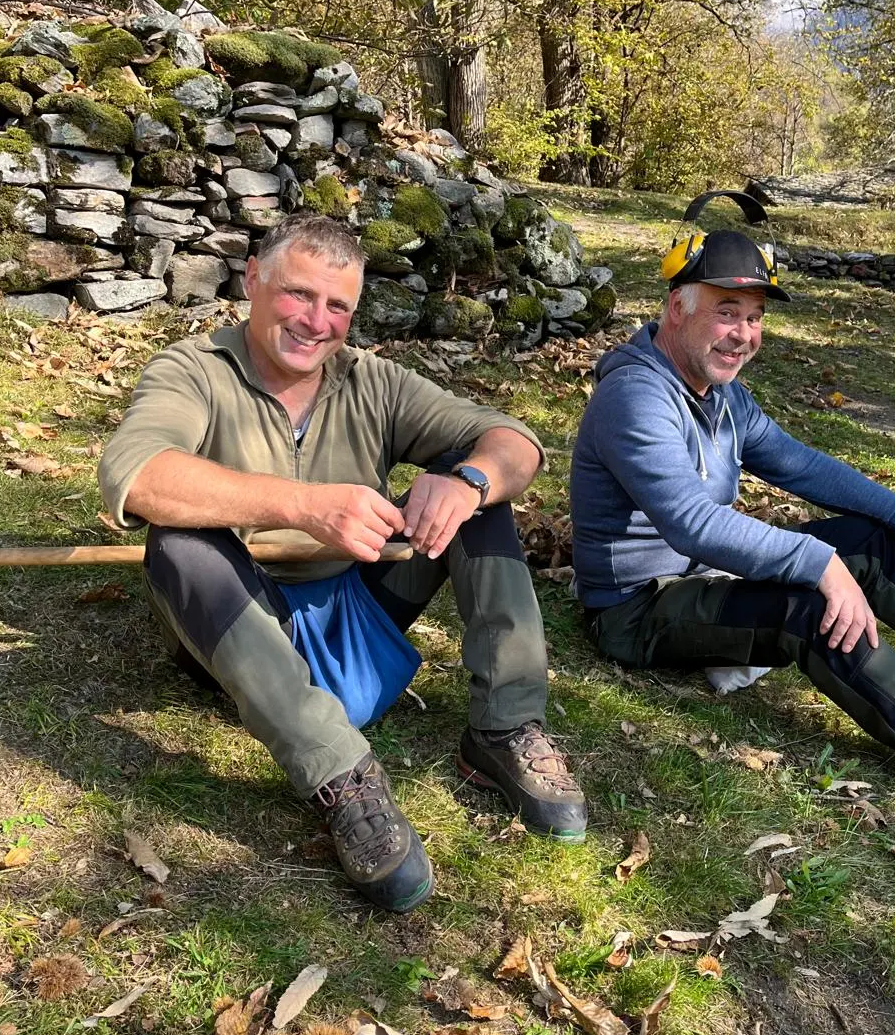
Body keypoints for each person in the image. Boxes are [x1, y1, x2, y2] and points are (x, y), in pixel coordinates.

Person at [99, 212, 586, 914]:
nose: (315, 322)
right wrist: (301, 505)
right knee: (177, 541)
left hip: (356, 614)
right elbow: (137, 473)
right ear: (254, 280)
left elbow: (515, 442)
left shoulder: (374, 382)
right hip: (239, 630)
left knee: (476, 495)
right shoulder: (193, 371)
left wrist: (469, 482)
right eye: (298, 294)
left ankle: (505, 728)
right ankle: (343, 778)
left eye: (337, 306)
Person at [570, 196, 895, 806]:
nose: (744, 335)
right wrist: (819, 565)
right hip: (639, 610)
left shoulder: (721, 394)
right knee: (811, 610)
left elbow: (798, 463)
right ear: (677, 308)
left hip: (704, 579)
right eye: (727, 313)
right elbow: (691, 523)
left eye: (755, 317)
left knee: (871, 541)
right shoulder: (637, 395)